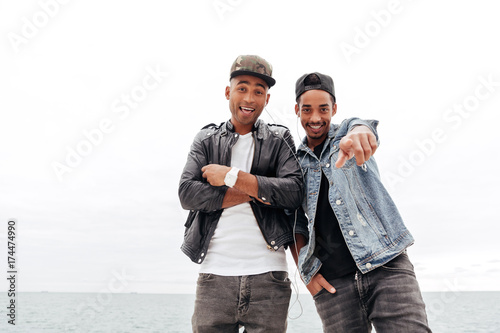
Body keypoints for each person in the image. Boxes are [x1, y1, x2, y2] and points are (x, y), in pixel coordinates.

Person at [290, 72, 432, 332]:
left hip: (386, 266)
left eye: (323, 109)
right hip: (333, 285)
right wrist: (306, 275)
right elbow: (296, 225)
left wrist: (360, 133)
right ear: (297, 110)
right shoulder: (293, 164)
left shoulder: (347, 132)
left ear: (334, 108)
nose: (315, 118)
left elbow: (363, 127)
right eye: (307, 110)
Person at [178, 55, 308, 332]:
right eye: (242, 88)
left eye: (258, 91)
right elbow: (187, 193)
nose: (250, 98)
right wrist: (261, 189)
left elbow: (295, 192)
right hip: (214, 275)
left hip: (269, 276)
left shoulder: (280, 138)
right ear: (228, 92)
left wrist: (230, 177)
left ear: (267, 99)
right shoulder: (206, 139)